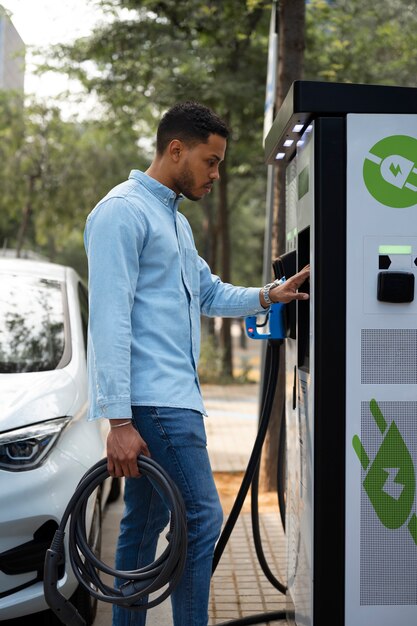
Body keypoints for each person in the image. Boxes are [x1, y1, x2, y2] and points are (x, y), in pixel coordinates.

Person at [84, 100, 310, 626]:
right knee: (203, 518)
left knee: (143, 527)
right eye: (210, 162)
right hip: (157, 402)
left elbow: (207, 293)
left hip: (170, 399)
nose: (215, 174)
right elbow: (110, 319)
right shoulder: (122, 212)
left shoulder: (175, 225)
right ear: (175, 149)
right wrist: (117, 420)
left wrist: (270, 294)